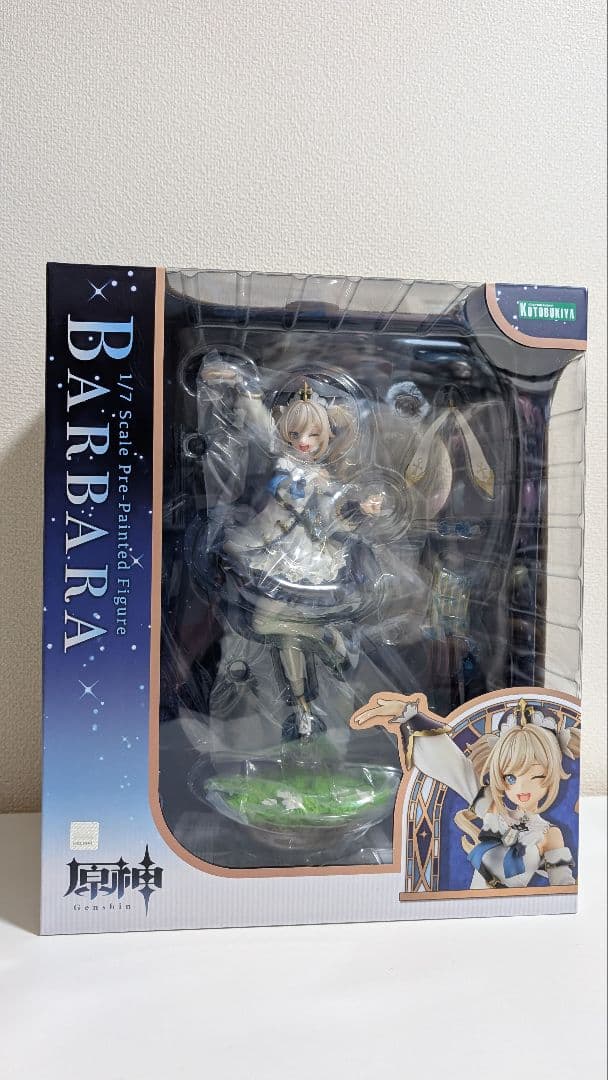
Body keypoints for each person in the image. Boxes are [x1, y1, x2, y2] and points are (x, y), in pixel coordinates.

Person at [199, 357, 384, 738]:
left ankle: (327, 639)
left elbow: (336, 521)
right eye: (297, 433)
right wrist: (243, 387)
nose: (304, 442)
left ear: (326, 438)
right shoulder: (280, 459)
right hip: (270, 547)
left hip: (304, 559)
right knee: (284, 637)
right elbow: (260, 426)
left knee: (264, 622)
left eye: (314, 436)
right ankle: (303, 708)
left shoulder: (322, 480)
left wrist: (361, 509)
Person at [351, 694, 579, 888]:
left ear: (552, 774)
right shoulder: (494, 812)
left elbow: (563, 888)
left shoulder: (548, 834)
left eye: (537, 776)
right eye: (510, 777)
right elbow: (455, 767)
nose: (521, 788)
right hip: (469, 912)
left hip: (513, 917)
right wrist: (407, 714)